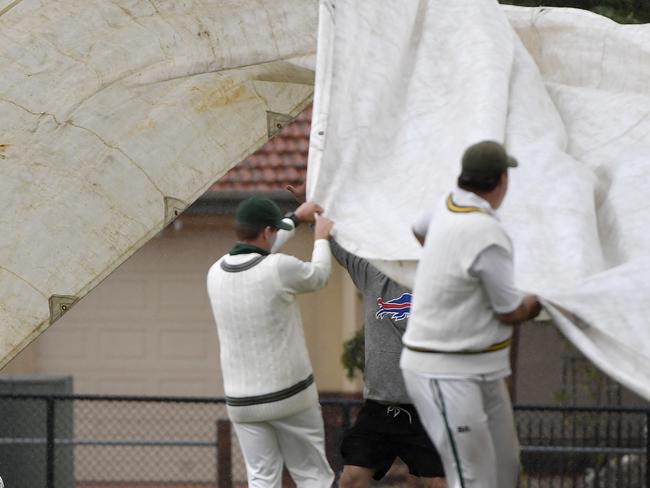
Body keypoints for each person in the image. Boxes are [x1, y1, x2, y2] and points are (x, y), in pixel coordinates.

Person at [400, 141, 542, 488]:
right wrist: (544, 300)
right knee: (473, 477)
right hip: (444, 370)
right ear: (502, 181)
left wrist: (449, 264)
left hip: (482, 365)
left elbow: (418, 230)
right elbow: (510, 312)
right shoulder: (486, 233)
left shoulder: (446, 205)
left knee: (505, 471)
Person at [286, 184, 446, 488]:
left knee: (436, 482)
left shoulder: (436, 278)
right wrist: (311, 205)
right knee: (351, 479)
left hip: (426, 405)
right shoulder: (373, 274)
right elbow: (335, 240)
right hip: (380, 406)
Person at [207, 196, 335, 488]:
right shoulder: (279, 268)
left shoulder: (214, 273)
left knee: (262, 479)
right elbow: (319, 277)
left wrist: (295, 218)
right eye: (274, 231)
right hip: (290, 396)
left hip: (242, 402)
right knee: (312, 474)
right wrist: (321, 238)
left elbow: (258, 257)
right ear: (266, 232)